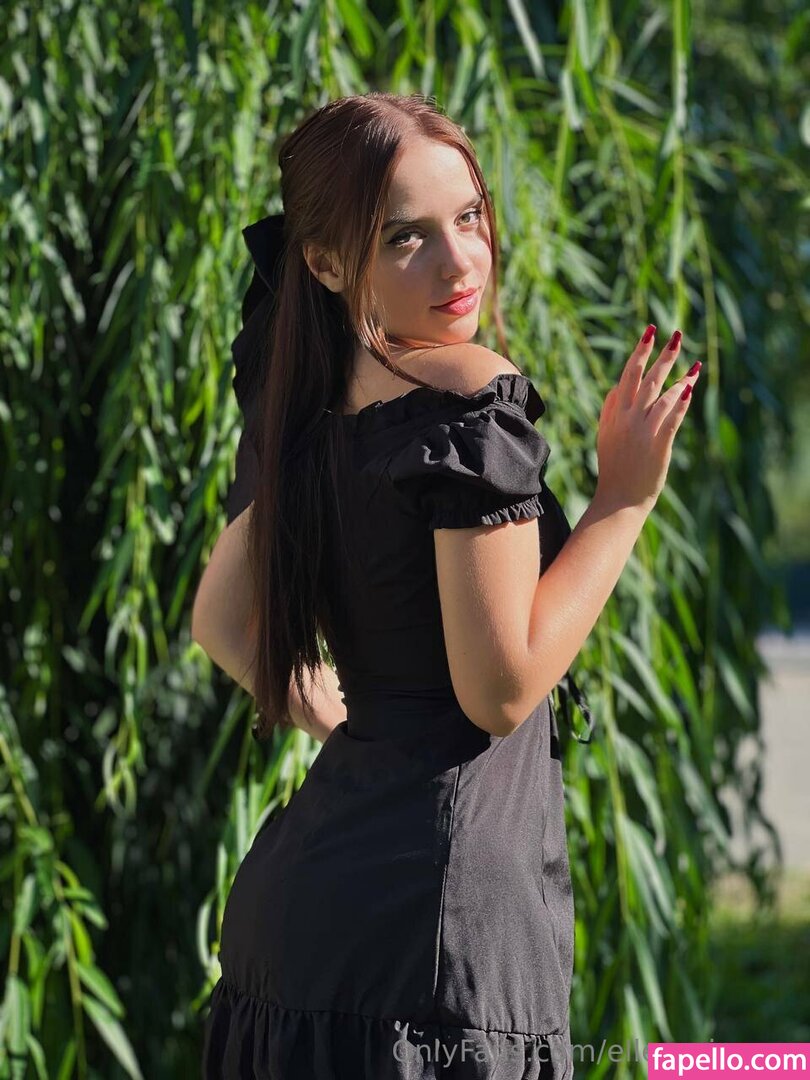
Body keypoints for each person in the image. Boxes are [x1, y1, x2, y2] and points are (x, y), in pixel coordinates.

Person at [193, 92, 700, 1079]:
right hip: (435, 946)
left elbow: (220, 621)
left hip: (296, 932)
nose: (460, 261)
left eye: (469, 216)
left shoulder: (314, 399)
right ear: (325, 262)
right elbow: (500, 690)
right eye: (406, 237)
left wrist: (368, 732)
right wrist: (623, 502)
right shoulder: (466, 399)